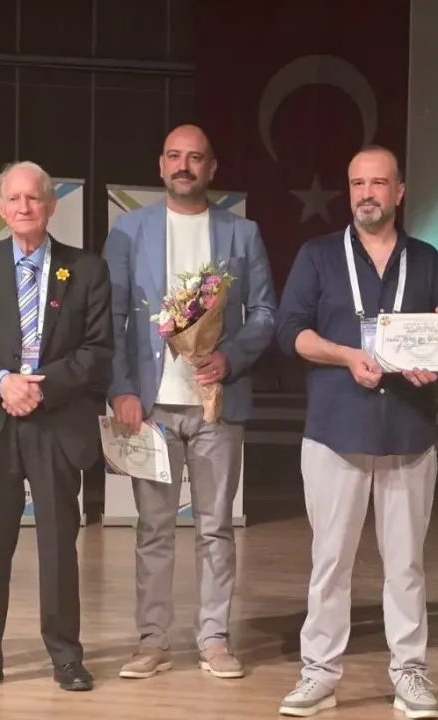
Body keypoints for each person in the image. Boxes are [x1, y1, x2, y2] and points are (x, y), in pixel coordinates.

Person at [274, 145, 438, 718]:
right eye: (357, 184)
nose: (366, 194)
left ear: (399, 191)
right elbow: (290, 332)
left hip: (408, 431)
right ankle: (319, 674)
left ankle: (410, 672)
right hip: (335, 428)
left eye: (378, 183)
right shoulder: (318, 255)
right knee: (330, 561)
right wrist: (346, 354)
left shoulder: (426, 259)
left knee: (406, 565)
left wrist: (433, 359)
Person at [103, 124, 277, 680]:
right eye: (175, 156)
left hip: (216, 406)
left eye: (195, 158)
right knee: (153, 528)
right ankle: (152, 641)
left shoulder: (242, 233)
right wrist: (121, 388)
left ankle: (214, 639)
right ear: (160, 165)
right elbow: (109, 317)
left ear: (212, 168)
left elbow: (265, 313)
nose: (184, 166)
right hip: (150, 407)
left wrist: (231, 357)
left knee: (215, 527)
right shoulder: (128, 230)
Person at [0, 161, 113, 692]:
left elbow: (98, 350)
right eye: (14, 199)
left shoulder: (86, 268)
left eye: (33, 198)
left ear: (51, 205)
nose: (24, 207)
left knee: (59, 547)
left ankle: (66, 657)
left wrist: (42, 385)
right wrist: (2, 383)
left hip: (57, 424)